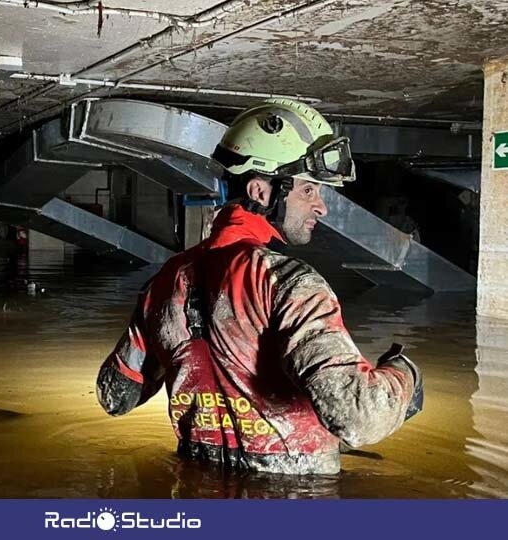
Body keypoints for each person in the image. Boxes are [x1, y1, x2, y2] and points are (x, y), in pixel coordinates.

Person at [95, 98, 423, 475]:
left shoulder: (166, 281)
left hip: (197, 488)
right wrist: (405, 375)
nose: (322, 207)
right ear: (260, 191)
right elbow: (358, 417)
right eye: (308, 191)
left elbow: (115, 395)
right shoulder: (290, 283)